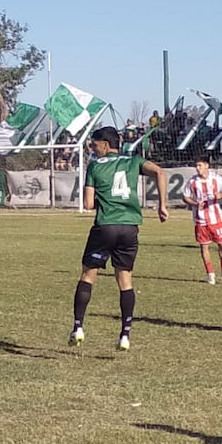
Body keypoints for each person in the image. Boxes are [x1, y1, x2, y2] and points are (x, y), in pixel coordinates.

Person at [68, 126, 169, 352]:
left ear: (105, 144)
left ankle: (78, 327)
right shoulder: (133, 162)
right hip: (130, 227)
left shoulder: (94, 166)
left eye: (94, 145)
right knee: (125, 280)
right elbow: (160, 173)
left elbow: (88, 204)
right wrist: (162, 205)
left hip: (106, 226)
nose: (92, 150)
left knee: (88, 274)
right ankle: (125, 335)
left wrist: (103, 196)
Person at [182, 157, 222, 284]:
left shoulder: (216, 179)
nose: (197, 168)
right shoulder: (192, 181)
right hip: (200, 220)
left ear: (206, 166)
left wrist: (221, 195)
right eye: (196, 166)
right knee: (204, 247)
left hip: (216, 219)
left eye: (200, 165)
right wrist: (194, 203)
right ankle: (210, 274)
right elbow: (185, 196)